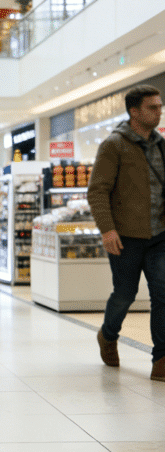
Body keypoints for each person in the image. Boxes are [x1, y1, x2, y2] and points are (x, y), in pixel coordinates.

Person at [88, 85, 165, 382]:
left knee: (162, 293)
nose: (158, 112)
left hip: (159, 236)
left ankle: (161, 359)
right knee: (125, 293)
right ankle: (108, 335)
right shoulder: (114, 145)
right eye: (153, 107)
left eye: (159, 106)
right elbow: (97, 191)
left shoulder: (160, 145)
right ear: (135, 111)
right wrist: (107, 229)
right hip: (126, 236)